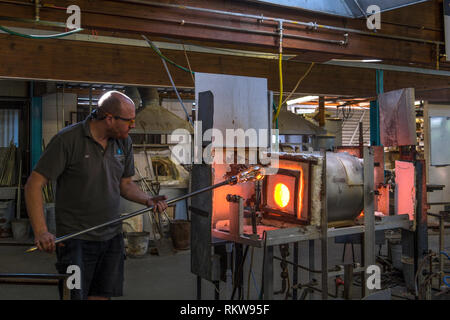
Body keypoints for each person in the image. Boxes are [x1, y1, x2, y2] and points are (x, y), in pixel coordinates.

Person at [24, 90, 168, 300]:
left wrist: (146, 199)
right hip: (76, 241)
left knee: (102, 296)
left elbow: (125, 184)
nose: (133, 125)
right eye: (129, 120)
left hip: (111, 238)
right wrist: (41, 231)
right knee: (74, 296)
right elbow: (33, 185)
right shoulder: (68, 140)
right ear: (109, 118)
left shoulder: (123, 142)